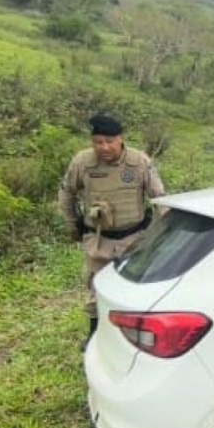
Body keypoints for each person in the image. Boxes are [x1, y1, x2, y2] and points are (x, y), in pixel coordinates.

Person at [59, 113, 165, 338]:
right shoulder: (82, 162)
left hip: (134, 239)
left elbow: (159, 198)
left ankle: (134, 333)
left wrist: (165, 232)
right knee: (95, 287)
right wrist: (71, 225)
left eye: (109, 141)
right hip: (98, 239)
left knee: (135, 286)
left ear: (121, 139)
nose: (104, 147)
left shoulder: (139, 162)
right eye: (98, 142)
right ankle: (95, 334)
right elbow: (66, 193)